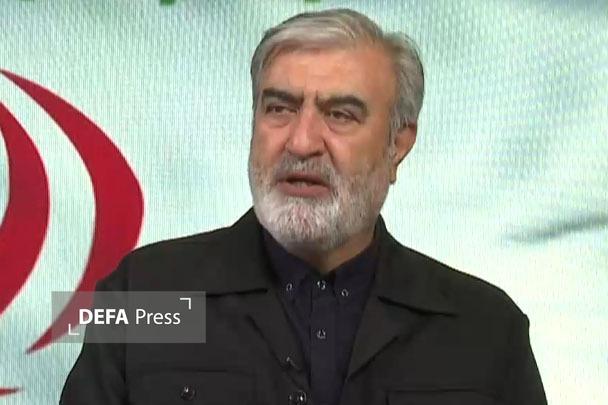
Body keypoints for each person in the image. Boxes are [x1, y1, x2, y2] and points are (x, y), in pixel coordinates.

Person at [60, 8, 547, 405]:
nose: (301, 141)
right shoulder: (140, 295)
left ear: (398, 144)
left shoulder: (486, 327)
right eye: (279, 108)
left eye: (341, 114)